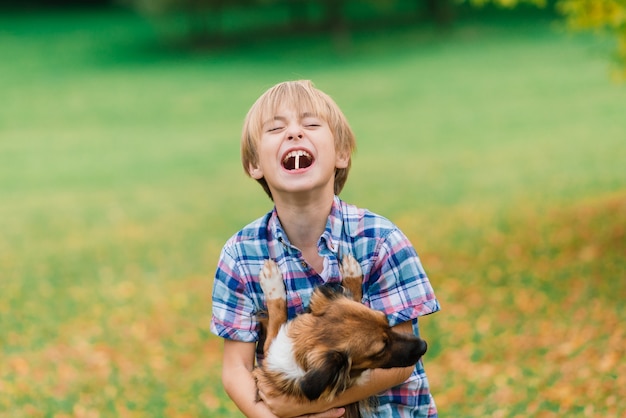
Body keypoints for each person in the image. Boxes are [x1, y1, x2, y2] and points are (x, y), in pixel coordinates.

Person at [210, 80, 440, 418]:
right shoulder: (240, 256)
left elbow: (399, 361)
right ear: (253, 165)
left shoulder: (380, 240)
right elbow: (235, 369)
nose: (294, 134)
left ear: (342, 155)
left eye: (311, 124)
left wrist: (304, 403)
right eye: (276, 128)